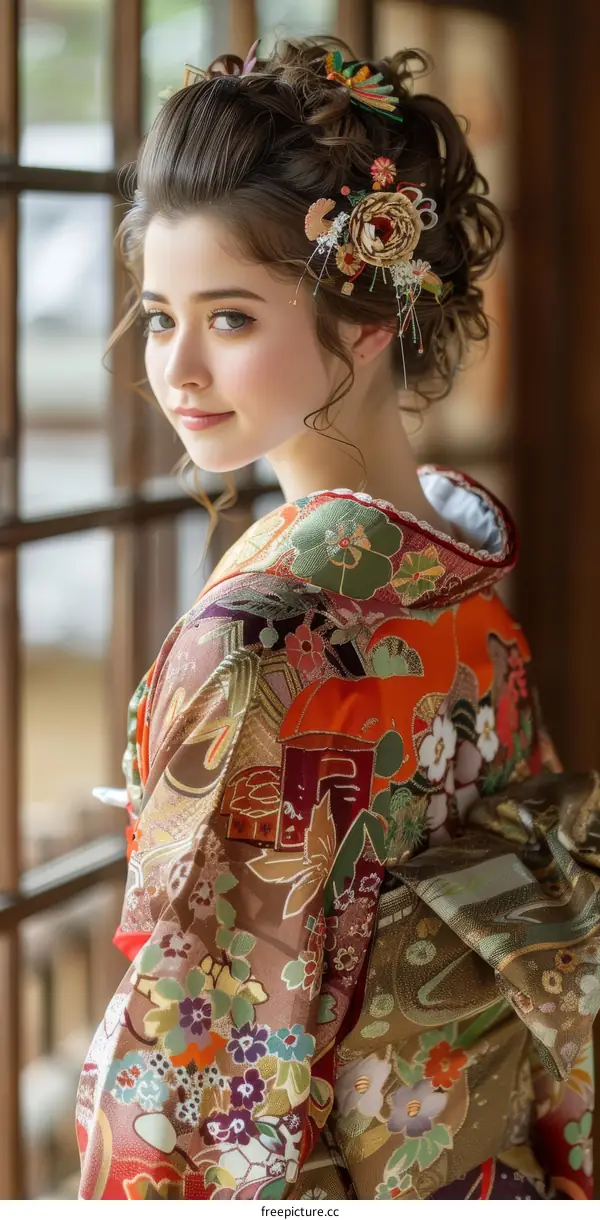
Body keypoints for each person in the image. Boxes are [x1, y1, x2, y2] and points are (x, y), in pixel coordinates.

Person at [76, 38, 599, 1201]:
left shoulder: (258, 639)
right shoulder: (466, 580)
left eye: (231, 317)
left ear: (368, 319)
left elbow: (203, 1056)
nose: (177, 368)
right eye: (162, 316)